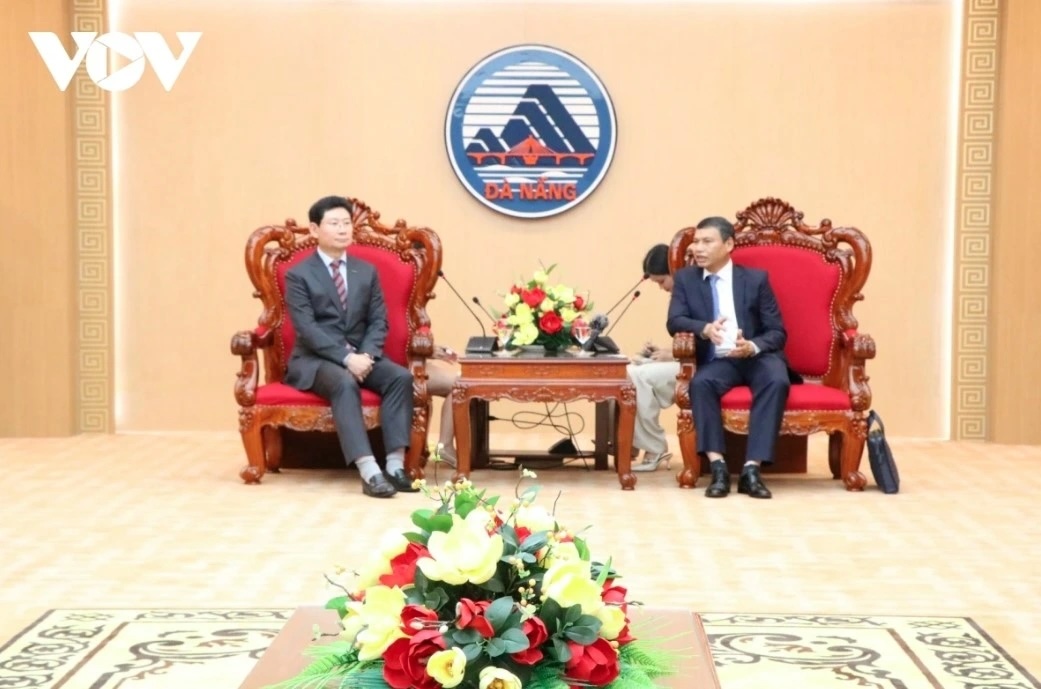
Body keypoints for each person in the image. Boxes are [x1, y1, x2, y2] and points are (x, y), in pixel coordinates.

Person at [283, 195, 416, 499]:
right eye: (334, 223)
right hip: (316, 359)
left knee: (400, 378)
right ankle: (369, 472)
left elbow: (379, 320)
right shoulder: (299, 274)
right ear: (314, 229)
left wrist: (366, 355)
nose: (343, 229)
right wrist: (346, 358)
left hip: (361, 354)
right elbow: (307, 329)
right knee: (344, 382)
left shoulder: (366, 271)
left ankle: (395, 466)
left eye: (346, 223)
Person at [666, 216, 801, 499]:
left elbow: (777, 332)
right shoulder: (686, 279)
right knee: (700, 384)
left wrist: (752, 346)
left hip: (757, 356)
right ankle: (718, 468)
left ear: (728, 244)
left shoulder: (755, 279)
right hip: (720, 360)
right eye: (696, 242)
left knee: (776, 380)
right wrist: (704, 329)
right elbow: (675, 320)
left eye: (707, 241)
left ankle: (752, 469)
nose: (698, 248)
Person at [626, 244, 681, 472]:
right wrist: (663, 352)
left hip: (703, 365)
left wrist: (673, 354)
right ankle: (627, 443)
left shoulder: (699, 291)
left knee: (637, 377)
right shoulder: (680, 295)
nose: (661, 288)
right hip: (684, 359)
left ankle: (655, 448)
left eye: (662, 281)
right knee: (629, 369)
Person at [425, 344, 461, 467]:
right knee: (461, 385)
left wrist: (432, 348)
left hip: (419, 361)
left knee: (462, 384)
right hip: (404, 366)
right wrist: (426, 349)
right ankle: (445, 446)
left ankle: (446, 446)